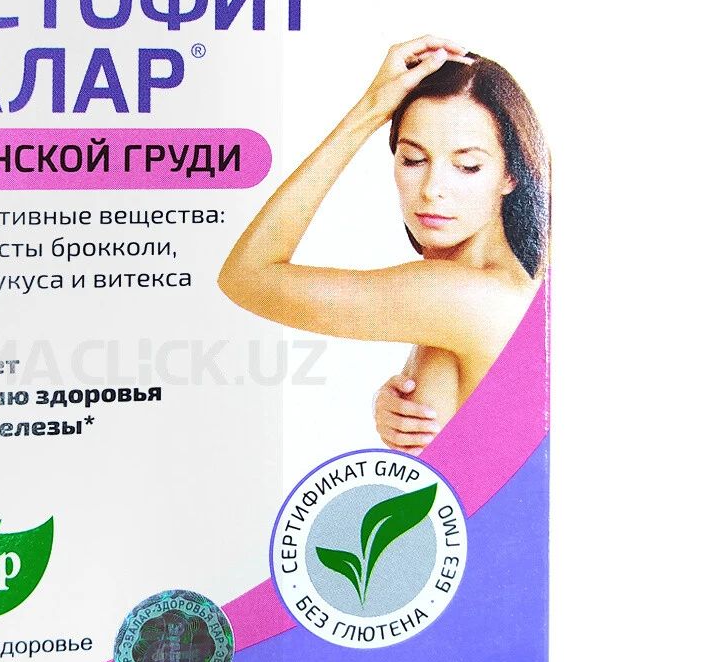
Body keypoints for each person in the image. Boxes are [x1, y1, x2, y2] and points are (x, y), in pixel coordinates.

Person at [218, 37, 550, 452]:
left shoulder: (464, 296)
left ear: (510, 174)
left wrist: (370, 110)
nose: (432, 189)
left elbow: (246, 275)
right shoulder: (491, 284)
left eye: (468, 166)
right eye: (413, 159)